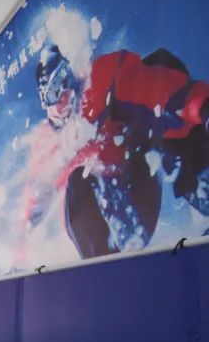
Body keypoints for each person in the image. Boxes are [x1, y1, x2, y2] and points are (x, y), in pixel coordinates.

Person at [33, 44, 209, 256]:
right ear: (45, 102)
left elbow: (158, 91)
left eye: (63, 79)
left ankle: (200, 191)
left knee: (159, 73)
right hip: (101, 219)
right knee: (78, 181)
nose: (62, 95)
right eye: (52, 93)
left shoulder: (100, 87)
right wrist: (19, 257)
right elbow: (35, 201)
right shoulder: (51, 145)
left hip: (136, 188)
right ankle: (102, 264)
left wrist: (201, 105)